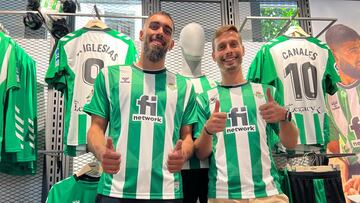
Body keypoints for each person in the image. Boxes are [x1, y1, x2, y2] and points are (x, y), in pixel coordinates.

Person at [84, 11, 197, 203]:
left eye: (167, 31)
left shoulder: (184, 87)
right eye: (154, 26)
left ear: (171, 44)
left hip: (167, 192)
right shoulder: (109, 76)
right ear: (141, 34)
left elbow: (186, 137)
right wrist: (102, 151)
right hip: (115, 190)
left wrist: (184, 154)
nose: (160, 32)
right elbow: (95, 129)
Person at [194, 25, 299, 203]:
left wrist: (284, 117)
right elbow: (201, 154)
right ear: (214, 56)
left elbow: (291, 143)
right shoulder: (205, 98)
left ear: (242, 49)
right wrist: (207, 131)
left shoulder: (268, 93)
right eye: (221, 47)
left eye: (233, 44)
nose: (228, 51)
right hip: (223, 196)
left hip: (269, 193)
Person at [178, 22, 217, 203]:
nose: (196, 43)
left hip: (212, 169)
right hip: (178, 169)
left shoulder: (215, 87)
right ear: (179, 42)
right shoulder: (171, 84)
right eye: (190, 37)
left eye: (201, 38)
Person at [325, 24, 360, 197]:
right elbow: (334, 147)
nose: (359, 55)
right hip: (353, 179)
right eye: (352, 50)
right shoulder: (328, 95)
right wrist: (342, 181)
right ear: (335, 54)